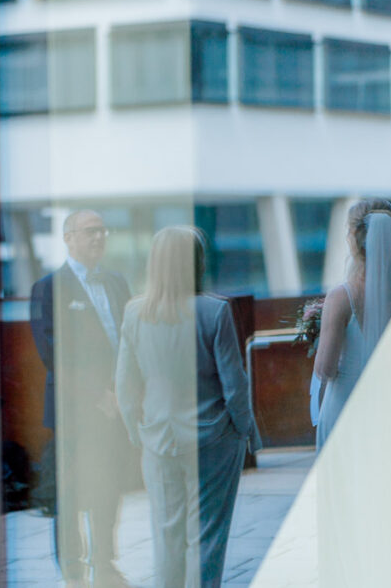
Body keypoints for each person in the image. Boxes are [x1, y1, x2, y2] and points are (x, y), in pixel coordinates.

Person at [116, 226, 262, 588]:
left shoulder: (134, 312)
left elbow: (125, 385)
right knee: (207, 533)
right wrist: (245, 431)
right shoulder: (215, 311)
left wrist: (135, 431)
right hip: (212, 437)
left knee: (167, 534)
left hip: (157, 437)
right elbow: (234, 384)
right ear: (197, 262)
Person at [29, 210, 138, 587]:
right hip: (75, 409)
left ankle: (104, 564)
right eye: (90, 231)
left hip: (116, 405)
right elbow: (53, 352)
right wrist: (98, 394)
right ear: (68, 237)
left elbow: (130, 338)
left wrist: (124, 391)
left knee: (109, 488)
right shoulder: (48, 288)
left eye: (102, 231)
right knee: (71, 492)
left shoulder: (117, 282)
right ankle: (73, 570)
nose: (98, 237)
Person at [314, 198, 391, 447]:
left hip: (346, 408)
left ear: (354, 237)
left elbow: (325, 369)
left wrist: (318, 336)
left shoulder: (342, 297)